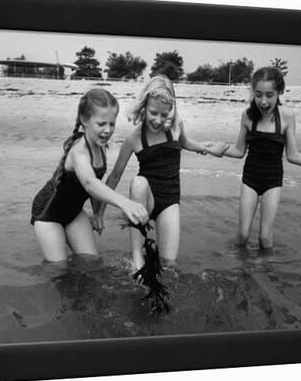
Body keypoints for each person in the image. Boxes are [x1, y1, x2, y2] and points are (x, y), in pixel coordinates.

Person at [95, 76, 227, 270]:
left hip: (169, 200)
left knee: (168, 265)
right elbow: (114, 177)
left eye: (163, 115)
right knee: (139, 182)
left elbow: (185, 143)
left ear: (171, 111)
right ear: (144, 106)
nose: (157, 120)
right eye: (153, 113)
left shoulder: (175, 127)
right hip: (145, 199)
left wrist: (208, 149)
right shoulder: (134, 138)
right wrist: (99, 213)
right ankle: (137, 259)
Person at [220, 66, 301, 249]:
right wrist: (217, 149)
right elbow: (238, 151)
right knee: (243, 235)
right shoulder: (247, 116)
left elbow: (292, 155)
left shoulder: (287, 117)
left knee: (265, 239)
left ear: (279, 92)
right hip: (250, 179)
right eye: (258, 95)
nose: (263, 101)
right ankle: (240, 272)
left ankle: (266, 274)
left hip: (272, 181)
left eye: (269, 95)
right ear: (253, 93)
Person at [31, 88, 149, 262]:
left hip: (73, 213)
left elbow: (96, 187)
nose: (108, 130)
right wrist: (125, 203)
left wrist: (97, 213)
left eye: (112, 124)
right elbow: (90, 183)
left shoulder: (100, 147)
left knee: (92, 262)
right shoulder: (79, 152)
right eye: (101, 124)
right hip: (48, 214)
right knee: (59, 268)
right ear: (84, 120)